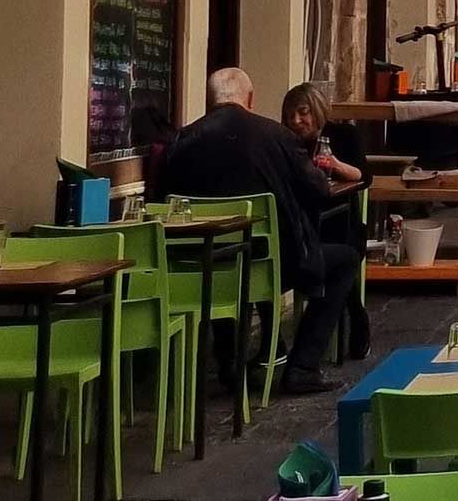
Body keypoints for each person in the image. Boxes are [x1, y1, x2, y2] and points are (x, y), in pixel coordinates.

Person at [159, 67, 359, 394]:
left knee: (222, 256)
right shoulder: (276, 136)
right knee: (346, 259)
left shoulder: (181, 141)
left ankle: (230, 364)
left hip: (198, 270)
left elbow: (160, 202)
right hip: (272, 265)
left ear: (210, 101)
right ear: (249, 99)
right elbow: (318, 190)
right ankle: (303, 366)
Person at [279, 82, 371, 357]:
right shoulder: (286, 142)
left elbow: (364, 177)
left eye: (303, 112)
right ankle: (279, 346)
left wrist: (335, 165)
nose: (296, 121)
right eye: (290, 115)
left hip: (341, 223)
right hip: (302, 225)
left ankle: (356, 316)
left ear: (317, 110)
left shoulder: (343, 135)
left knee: (342, 251)